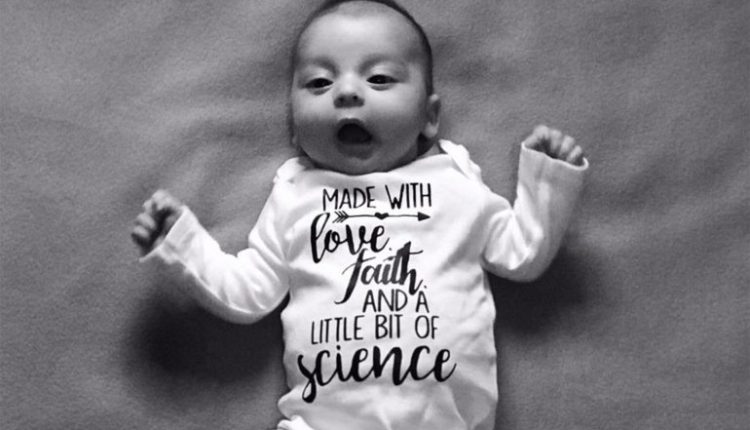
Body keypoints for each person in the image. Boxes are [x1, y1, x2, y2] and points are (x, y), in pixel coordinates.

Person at [131, 1, 588, 429]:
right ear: (294, 125)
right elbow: (247, 293)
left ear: (430, 117)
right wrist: (182, 244)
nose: (347, 92)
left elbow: (521, 253)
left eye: (380, 78)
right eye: (319, 83)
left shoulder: (455, 181)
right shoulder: (296, 196)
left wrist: (546, 183)